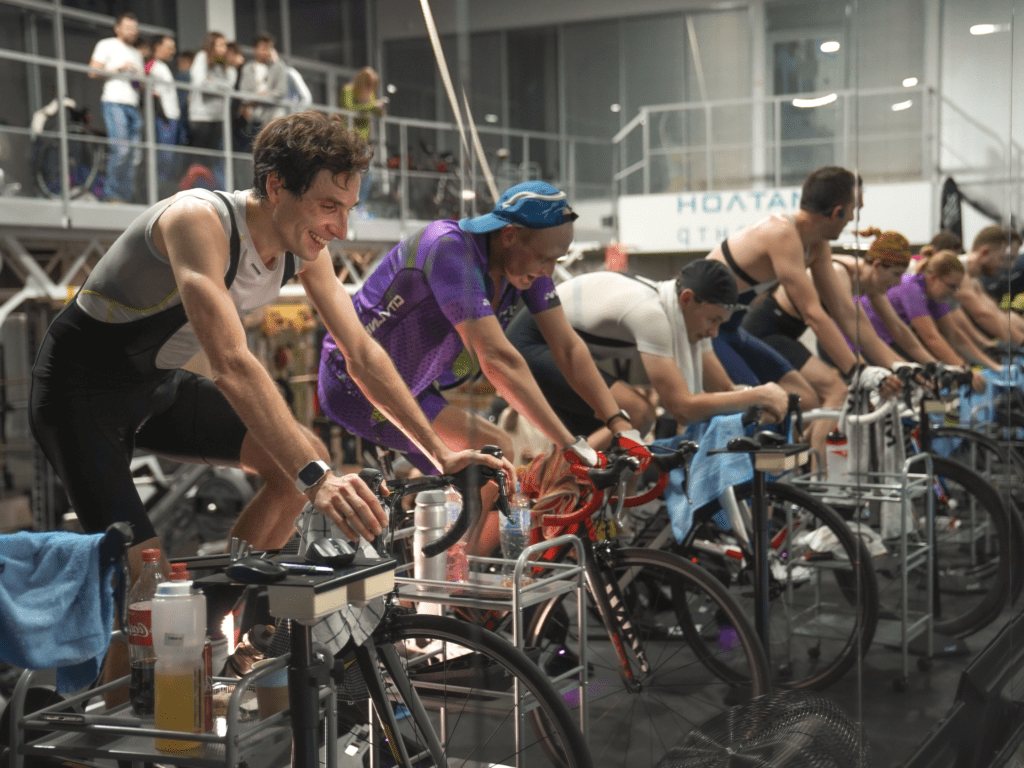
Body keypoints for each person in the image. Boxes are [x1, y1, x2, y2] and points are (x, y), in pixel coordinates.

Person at [29, 111, 508, 690]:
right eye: (330, 206)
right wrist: (318, 478)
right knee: (147, 586)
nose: (343, 228)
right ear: (277, 186)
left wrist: (435, 452)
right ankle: (109, 725)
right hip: (79, 397)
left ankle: (203, 627)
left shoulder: (304, 249)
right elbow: (231, 361)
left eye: (349, 208)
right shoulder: (196, 221)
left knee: (291, 468)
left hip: (155, 387)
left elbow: (363, 353)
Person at [317, 180, 635, 555]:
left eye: (557, 261)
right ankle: (453, 590)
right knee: (493, 461)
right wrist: (569, 444)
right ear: (510, 235)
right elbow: (496, 359)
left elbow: (568, 348)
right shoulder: (449, 249)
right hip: (354, 384)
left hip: (412, 386)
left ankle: (458, 578)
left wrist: (618, 421)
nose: (548, 270)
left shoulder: (524, 269)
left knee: (493, 461)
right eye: (545, 258)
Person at [704, 166, 901, 458]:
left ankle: (792, 487)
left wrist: (895, 368)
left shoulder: (817, 246)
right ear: (836, 212)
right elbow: (814, 314)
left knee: (805, 400)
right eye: (852, 212)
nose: (851, 221)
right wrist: (857, 371)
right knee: (761, 407)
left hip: (732, 331)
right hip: (705, 334)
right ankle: (745, 490)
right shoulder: (782, 233)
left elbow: (846, 314)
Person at [505, 259, 790, 441]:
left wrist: (751, 400)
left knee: (629, 440)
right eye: (713, 320)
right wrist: (761, 393)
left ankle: (618, 523)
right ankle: (557, 487)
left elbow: (724, 389)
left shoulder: (686, 314)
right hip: (530, 344)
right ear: (688, 299)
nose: (714, 332)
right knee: (637, 414)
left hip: (558, 346)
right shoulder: (651, 313)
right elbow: (682, 408)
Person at [742, 228, 920, 417]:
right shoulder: (839, 273)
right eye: (896, 274)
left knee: (816, 400)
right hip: (765, 331)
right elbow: (853, 326)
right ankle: (816, 447)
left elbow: (897, 329)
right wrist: (861, 371)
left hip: (784, 333)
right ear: (877, 265)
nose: (898, 282)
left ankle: (807, 442)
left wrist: (915, 368)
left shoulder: (870, 281)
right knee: (838, 393)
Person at [861, 248, 990, 390]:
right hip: (864, 343)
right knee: (921, 389)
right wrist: (966, 371)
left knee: (930, 387)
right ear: (934, 278)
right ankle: (933, 409)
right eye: (952, 286)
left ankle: (935, 409)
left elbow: (954, 335)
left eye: (958, 288)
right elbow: (932, 338)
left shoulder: (935, 295)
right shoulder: (912, 288)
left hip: (891, 343)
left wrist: (992, 365)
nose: (954, 292)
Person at [88, 12, 143, 203]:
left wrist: (138, 78)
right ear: (117, 28)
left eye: (134, 28)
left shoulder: (137, 53)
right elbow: (93, 71)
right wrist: (118, 69)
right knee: (120, 150)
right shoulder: (107, 44)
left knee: (134, 155)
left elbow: (140, 85)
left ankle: (125, 196)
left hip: (133, 104)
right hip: (114, 101)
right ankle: (111, 193)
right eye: (128, 27)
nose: (132, 31)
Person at [189, 31, 237, 188]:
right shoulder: (202, 57)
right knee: (199, 160)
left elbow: (229, 86)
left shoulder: (225, 67)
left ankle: (208, 190)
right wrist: (219, 86)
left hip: (218, 118)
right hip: (201, 116)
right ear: (212, 45)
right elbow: (200, 83)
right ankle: (197, 189)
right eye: (220, 45)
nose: (224, 48)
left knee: (211, 160)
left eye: (225, 45)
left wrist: (213, 83)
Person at [340, 66, 386, 205]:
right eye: (368, 85)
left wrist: (380, 107)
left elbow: (379, 113)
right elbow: (349, 110)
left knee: (367, 173)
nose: (370, 89)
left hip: (363, 140)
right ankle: (347, 204)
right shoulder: (348, 91)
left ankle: (359, 205)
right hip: (348, 139)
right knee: (350, 173)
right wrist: (372, 106)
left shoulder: (369, 95)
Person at [237, 33, 288, 152]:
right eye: (262, 48)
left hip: (273, 115)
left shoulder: (278, 67)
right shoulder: (248, 68)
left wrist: (259, 97)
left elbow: (281, 92)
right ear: (255, 49)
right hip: (254, 117)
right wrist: (261, 97)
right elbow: (244, 94)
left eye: (268, 48)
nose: (265, 51)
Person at [146, 34, 181, 197]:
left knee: (169, 157)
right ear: (157, 47)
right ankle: (159, 192)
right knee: (163, 157)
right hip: (164, 118)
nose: (172, 50)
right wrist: (163, 116)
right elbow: (151, 93)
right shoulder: (152, 65)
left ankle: (164, 189)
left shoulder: (163, 67)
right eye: (169, 46)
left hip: (172, 117)